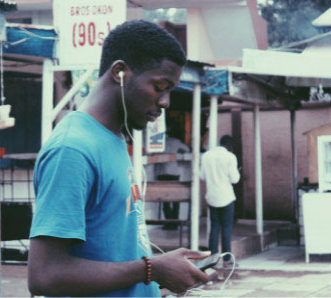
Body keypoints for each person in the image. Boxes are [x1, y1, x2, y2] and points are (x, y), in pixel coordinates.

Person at [27, 20, 210, 297]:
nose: (165, 102)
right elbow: (45, 275)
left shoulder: (112, 139)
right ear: (120, 72)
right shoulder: (73, 150)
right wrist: (152, 269)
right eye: (160, 86)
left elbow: (110, 254)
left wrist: (160, 276)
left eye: (170, 90)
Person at [200, 135, 240, 266]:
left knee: (214, 227)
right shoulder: (230, 157)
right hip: (227, 196)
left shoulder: (206, 156)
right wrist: (238, 172)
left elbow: (202, 176)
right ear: (229, 145)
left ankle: (212, 260)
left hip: (212, 196)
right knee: (226, 228)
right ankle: (227, 260)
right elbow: (235, 179)